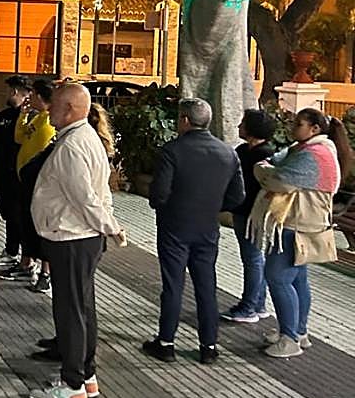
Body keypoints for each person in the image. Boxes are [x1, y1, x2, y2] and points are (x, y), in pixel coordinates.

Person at [27, 83, 125, 398]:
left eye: (53, 104)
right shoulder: (85, 138)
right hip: (80, 237)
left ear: (69, 109)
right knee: (82, 307)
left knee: (71, 311)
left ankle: (73, 385)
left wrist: (111, 226)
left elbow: (85, 198)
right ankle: (86, 376)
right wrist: (108, 223)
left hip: (72, 237)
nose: (48, 109)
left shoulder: (73, 145)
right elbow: (101, 194)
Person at [142, 98, 244, 365]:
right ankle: (208, 345)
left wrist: (162, 204)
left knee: (173, 285)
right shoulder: (227, 152)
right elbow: (238, 195)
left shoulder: (171, 151)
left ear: (185, 120)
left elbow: (159, 193)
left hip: (174, 225)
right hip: (208, 226)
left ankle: (166, 342)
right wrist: (212, 206)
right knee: (206, 285)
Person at [249, 107, 350, 358]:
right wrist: (269, 167)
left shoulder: (313, 155)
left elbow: (278, 179)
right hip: (303, 224)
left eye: (298, 124)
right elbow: (279, 162)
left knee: (278, 278)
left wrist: (261, 170)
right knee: (297, 280)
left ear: (314, 129)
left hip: (296, 226)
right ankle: (298, 331)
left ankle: (289, 339)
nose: (293, 128)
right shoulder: (311, 149)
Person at [220, 109, 276, 324]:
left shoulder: (265, 155)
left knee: (252, 258)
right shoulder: (243, 150)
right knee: (253, 258)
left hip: (254, 212)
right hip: (242, 209)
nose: (238, 126)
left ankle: (249, 306)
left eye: (243, 123)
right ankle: (258, 303)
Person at [1, 80, 57, 287]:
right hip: (24, 180)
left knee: (39, 226)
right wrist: (23, 115)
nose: (28, 98)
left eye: (32, 95)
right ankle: (27, 262)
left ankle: (45, 272)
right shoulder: (38, 118)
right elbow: (19, 138)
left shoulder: (50, 122)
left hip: (38, 183)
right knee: (25, 223)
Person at [0, 76, 29, 269]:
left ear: (15, 92)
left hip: (15, 173)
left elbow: (15, 139)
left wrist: (5, 136)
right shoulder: (5, 114)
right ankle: (12, 251)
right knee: (8, 213)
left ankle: (15, 252)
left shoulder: (25, 116)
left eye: (9, 90)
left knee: (16, 214)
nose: (6, 94)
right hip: (1, 172)